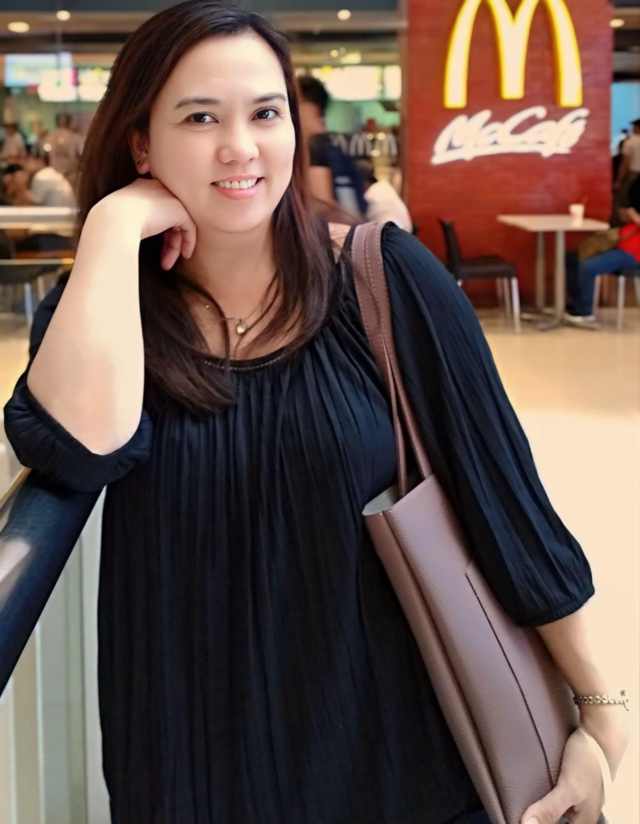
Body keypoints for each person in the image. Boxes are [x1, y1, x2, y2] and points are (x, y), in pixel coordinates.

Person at [2, 3, 629, 823]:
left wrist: (603, 713)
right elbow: (79, 449)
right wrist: (114, 226)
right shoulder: (107, 304)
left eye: (266, 113)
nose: (241, 147)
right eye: (200, 118)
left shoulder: (386, 279)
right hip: (191, 761)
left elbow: (506, 500)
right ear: (141, 144)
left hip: (396, 758)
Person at [565, 180, 640, 328]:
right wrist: (625, 216)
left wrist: (634, 216)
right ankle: (577, 305)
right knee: (572, 258)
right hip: (619, 242)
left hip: (633, 253)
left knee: (589, 267)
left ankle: (585, 313)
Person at [296, 74, 368, 222]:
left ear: (303, 102)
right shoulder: (329, 144)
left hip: (337, 232)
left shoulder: (315, 147)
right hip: (353, 229)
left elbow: (322, 204)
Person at [354, 157, 413, 232]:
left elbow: (356, 222)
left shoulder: (372, 195)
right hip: (402, 234)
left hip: (393, 236)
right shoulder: (383, 187)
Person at [3, 155, 76, 208]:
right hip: (64, 215)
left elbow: (29, 208)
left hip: (58, 219)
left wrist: (20, 186)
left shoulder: (41, 177)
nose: (25, 165)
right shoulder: (49, 172)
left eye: (28, 161)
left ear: (39, 162)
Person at [612, 117, 640, 221]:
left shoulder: (630, 142)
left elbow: (625, 164)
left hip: (634, 175)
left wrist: (618, 181)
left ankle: (620, 224)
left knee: (621, 200)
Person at [45, 112, 85, 184]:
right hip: (68, 174)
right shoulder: (76, 137)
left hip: (59, 174)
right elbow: (82, 154)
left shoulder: (49, 136)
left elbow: (46, 153)